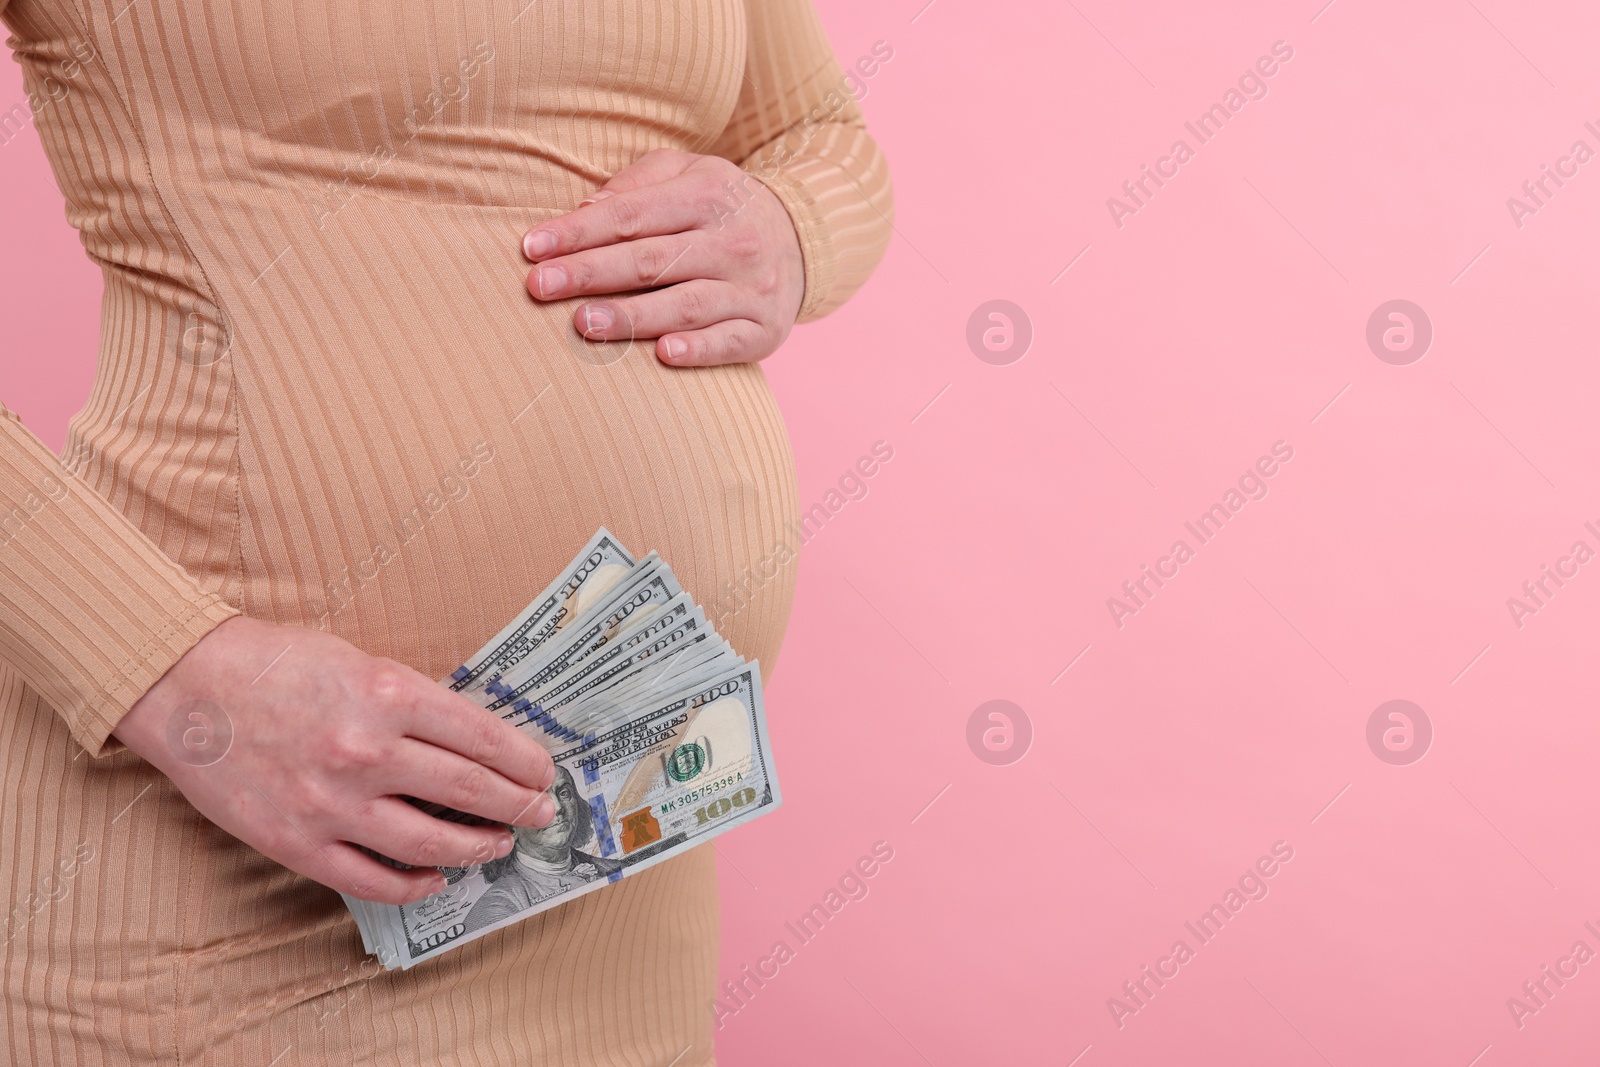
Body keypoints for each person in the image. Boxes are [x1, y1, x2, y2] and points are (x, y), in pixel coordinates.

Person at [0, 0, 893, 1062]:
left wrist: (792, 225)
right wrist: (171, 676)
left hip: (622, 879)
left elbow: (819, 135)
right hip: (230, 893)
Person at [460, 765, 622, 936]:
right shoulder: (495, 909)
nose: (558, 807)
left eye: (564, 793)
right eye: (536, 802)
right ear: (511, 828)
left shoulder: (614, 868)